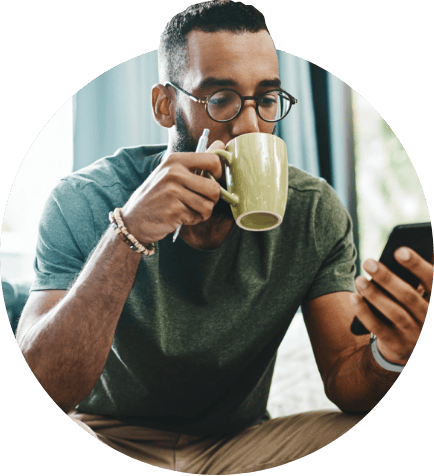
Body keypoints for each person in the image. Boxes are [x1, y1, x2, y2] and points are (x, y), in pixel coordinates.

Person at [16, 1, 432, 474]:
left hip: (240, 445)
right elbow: (41, 390)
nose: (248, 126)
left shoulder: (313, 211)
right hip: (108, 438)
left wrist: (392, 356)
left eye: (267, 99)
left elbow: (344, 376)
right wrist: (126, 233)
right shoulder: (83, 200)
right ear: (165, 105)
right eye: (220, 99)